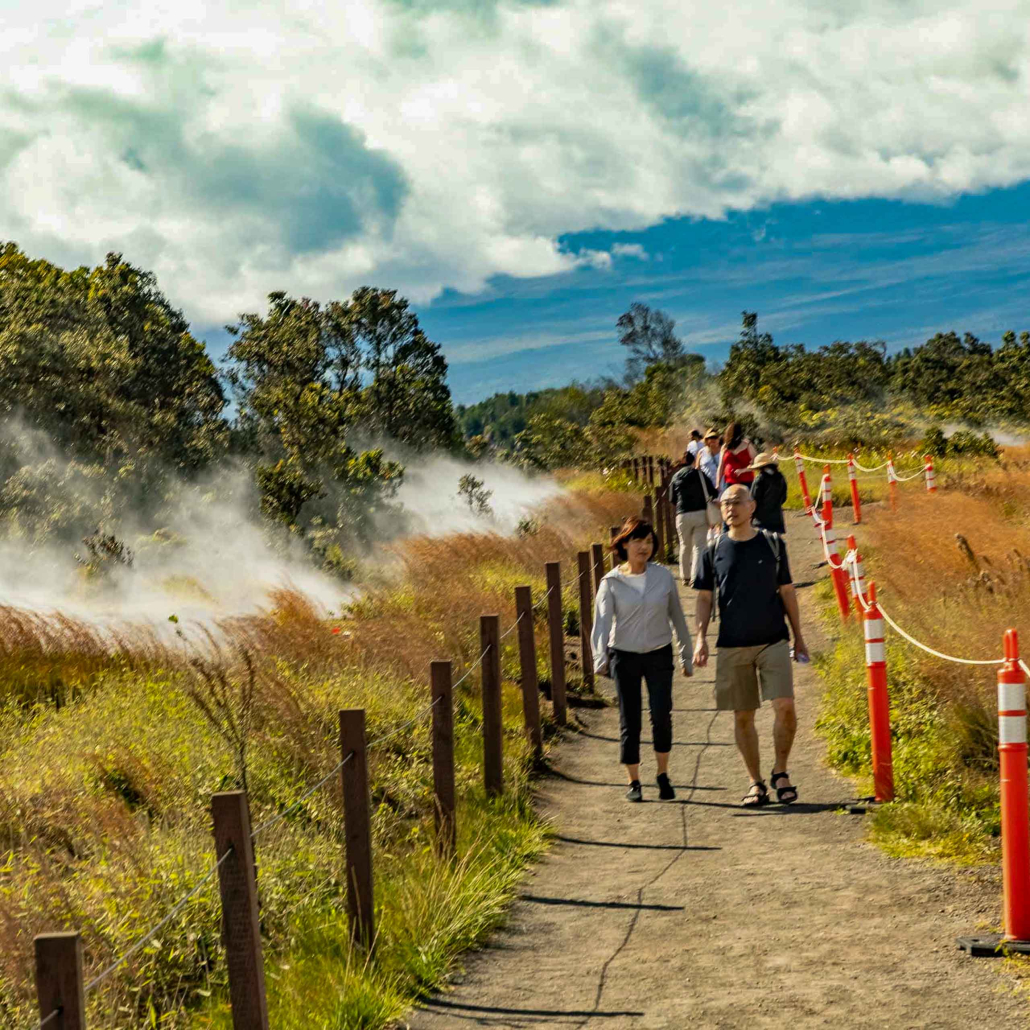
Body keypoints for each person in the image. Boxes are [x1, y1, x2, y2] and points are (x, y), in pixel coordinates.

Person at [691, 485, 809, 808]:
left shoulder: (773, 545)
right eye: (725, 503)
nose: (731, 508)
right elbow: (703, 597)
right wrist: (700, 637)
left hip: (773, 638)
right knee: (743, 716)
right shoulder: (711, 550)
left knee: (785, 706)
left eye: (737, 502)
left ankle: (781, 772)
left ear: (752, 506)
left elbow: (787, 591)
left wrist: (798, 635)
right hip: (732, 644)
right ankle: (755, 782)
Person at [592, 516, 693, 803]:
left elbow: (677, 616)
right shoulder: (611, 582)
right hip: (624, 656)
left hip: (659, 652)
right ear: (623, 544)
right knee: (630, 720)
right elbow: (600, 624)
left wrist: (686, 654)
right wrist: (601, 659)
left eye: (649, 541)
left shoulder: (662, 576)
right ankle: (634, 781)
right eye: (637, 540)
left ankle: (662, 775)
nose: (643, 547)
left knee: (662, 715)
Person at [669, 450, 717, 586]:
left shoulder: (675, 477)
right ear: (694, 461)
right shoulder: (700, 475)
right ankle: (696, 577)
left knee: (684, 545)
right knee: (699, 546)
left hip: (682, 514)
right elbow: (713, 492)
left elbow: (672, 498)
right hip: (700, 513)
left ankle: (685, 576)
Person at [747, 452, 788, 535]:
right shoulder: (780, 477)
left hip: (761, 521)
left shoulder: (760, 479)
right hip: (777, 519)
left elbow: (753, 500)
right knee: (776, 545)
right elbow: (784, 497)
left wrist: (750, 518)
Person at [716, 422, 757, 494]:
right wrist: (718, 483)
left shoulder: (747, 445)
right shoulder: (724, 447)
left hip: (746, 481)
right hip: (729, 481)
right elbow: (721, 466)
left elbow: (756, 463)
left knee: (744, 503)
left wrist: (743, 470)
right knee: (729, 501)